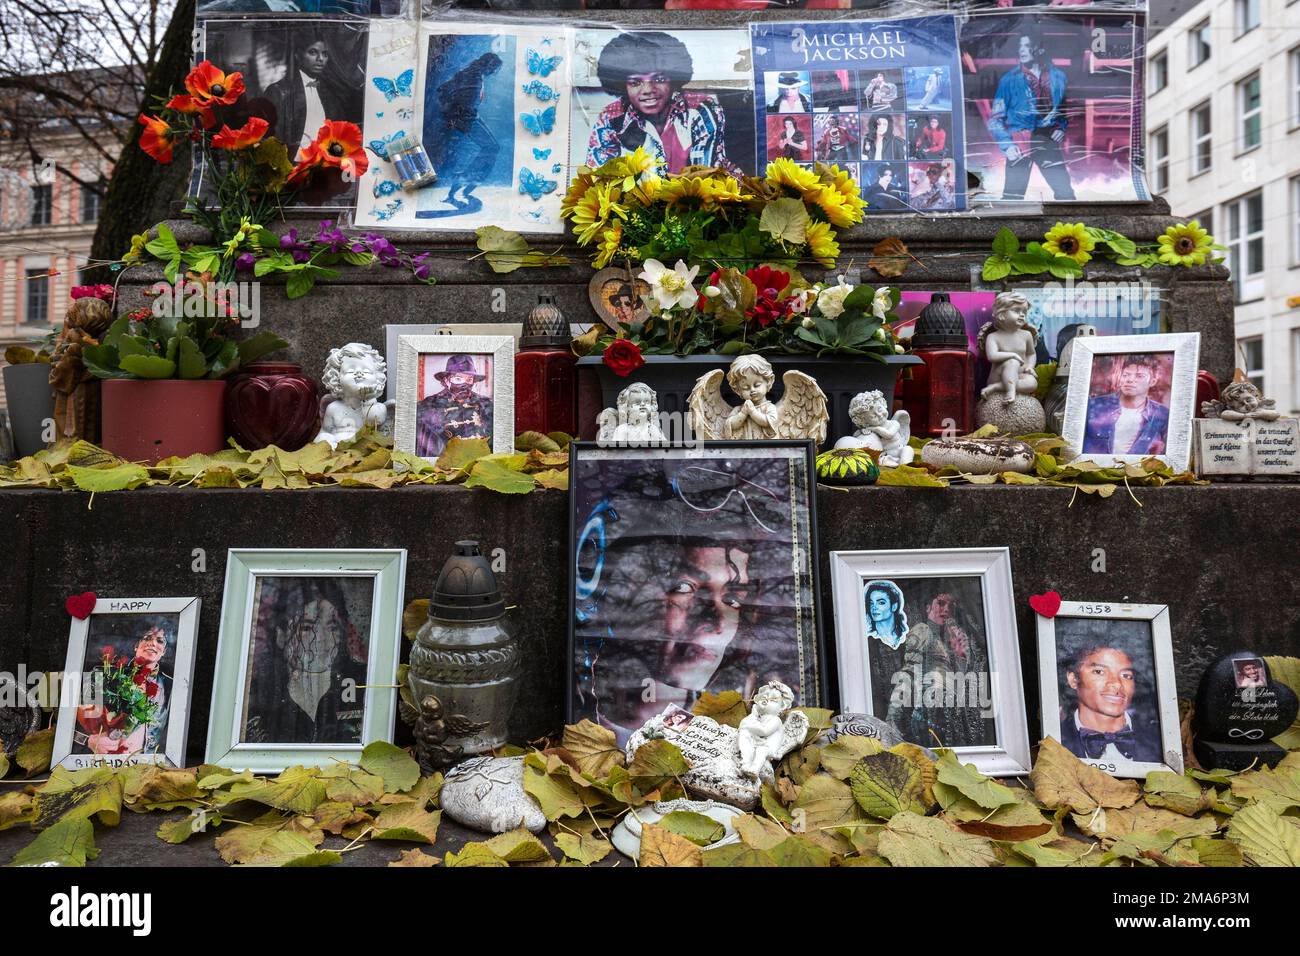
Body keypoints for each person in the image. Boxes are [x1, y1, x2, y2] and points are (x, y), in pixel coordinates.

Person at [573, 458, 799, 743]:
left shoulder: (725, 740)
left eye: (732, 599)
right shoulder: (580, 719)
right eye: (683, 587)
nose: (715, 622)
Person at [587, 32, 739, 175]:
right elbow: (599, 177)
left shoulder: (701, 110)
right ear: (623, 86)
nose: (648, 90)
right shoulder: (611, 117)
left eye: (659, 79)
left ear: (673, 79)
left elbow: (702, 177)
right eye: (635, 82)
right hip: (642, 199)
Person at [244, 578, 367, 745]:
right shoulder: (257, 702)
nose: (320, 638)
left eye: (332, 627)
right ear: (281, 636)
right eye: (307, 627)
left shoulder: (364, 686)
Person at [873, 589, 994, 749]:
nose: (946, 609)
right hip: (928, 714)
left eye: (951, 606)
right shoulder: (923, 630)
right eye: (941, 603)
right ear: (928, 607)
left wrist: (961, 656)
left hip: (949, 716)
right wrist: (893, 719)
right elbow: (908, 673)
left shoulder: (948, 639)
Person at [987, 32, 1076, 200]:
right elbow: (995, 120)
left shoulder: (1058, 77)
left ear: (1040, 49)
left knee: (1066, 195)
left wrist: (1061, 127)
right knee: (1012, 199)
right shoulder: (1009, 80)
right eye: (1019, 46)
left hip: (1046, 140)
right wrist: (1007, 146)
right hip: (1019, 142)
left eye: (1027, 46)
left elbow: (1062, 110)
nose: (1022, 50)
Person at [1058, 639, 1162, 762]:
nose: (1117, 684)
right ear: (1073, 679)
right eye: (1099, 672)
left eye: (1126, 675)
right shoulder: (1054, 741)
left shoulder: (1160, 742)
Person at [76, 624, 173, 756]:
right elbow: (69, 727)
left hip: (146, 767)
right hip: (100, 761)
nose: (153, 643)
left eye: (160, 641)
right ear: (136, 645)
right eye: (147, 638)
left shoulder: (170, 687)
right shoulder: (100, 674)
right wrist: (88, 740)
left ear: (164, 651)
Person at [264, 30, 353, 157]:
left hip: (323, 165)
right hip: (290, 167)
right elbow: (270, 141)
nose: (320, 59)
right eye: (313, 52)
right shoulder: (278, 91)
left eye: (325, 54)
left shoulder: (331, 93)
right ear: (297, 55)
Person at [434, 52, 504, 209]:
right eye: (494, 69)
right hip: (467, 120)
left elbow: (442, 89)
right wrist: (455, 114)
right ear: (489, 65)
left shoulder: (470, 73)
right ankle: (464, 182)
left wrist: (451, 110)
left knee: (492, 147)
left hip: (470, 117)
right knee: (492, 148)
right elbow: (453, 96)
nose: (494, 73)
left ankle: (462, 185)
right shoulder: (474, 77)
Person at [1082, 354, 1170, 456]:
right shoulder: (1093, 406)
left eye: (1140, 376)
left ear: (1152, 381)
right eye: (1126, 375)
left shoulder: (1162, 415)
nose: (1130, 380)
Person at [415, 354, 494, 458]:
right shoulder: (428, 406)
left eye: (469, 379)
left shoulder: (485, 404)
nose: (465, 384)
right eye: (458, 378)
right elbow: (427, 446)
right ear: (447, 381)